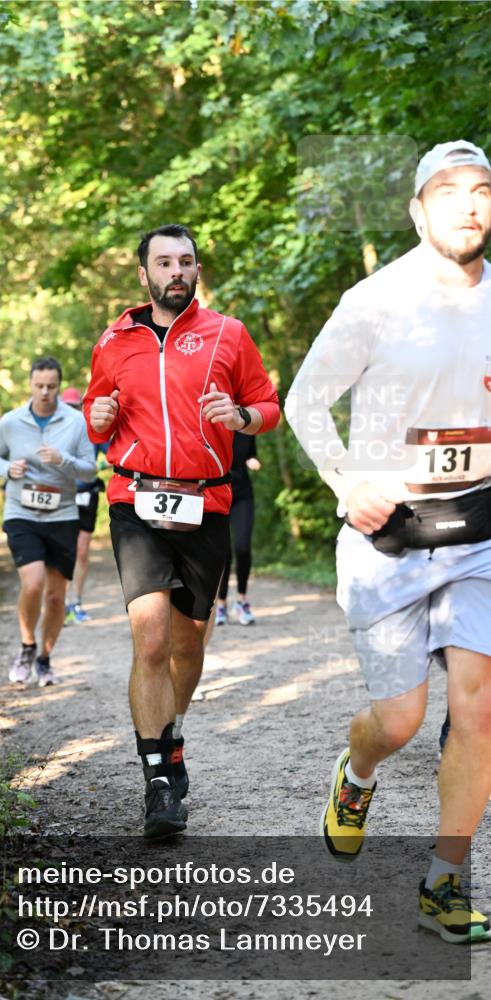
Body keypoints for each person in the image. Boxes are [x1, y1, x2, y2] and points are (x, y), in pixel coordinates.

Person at [285, 140, 491, 943]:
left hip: (478, 530)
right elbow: (306, 403)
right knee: (399, 722)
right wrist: (347, 482)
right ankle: (356, 771)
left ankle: (445, 882)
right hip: (388, 539)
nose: (469, 205)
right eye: (449, 192)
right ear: (417, 210)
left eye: (481, 190)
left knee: (476, 708)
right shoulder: (375, 300)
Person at [84, 223, 280, 838]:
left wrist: (242, 414)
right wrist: (99, 415)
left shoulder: (229, 333)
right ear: (143, 274)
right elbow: (95, 422)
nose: (176, 271)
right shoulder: (114, 340)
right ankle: (160, 781)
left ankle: (169, 737)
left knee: (189, 644)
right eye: (163, 262)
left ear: (196, 271)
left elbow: (268, 406)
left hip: (205, 503)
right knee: (150, 641)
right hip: (135, 500)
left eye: (186, 261)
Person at [0, 357, 96, 686]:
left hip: (62, 514)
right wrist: (7, 470)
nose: (45, 392)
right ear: (30, 385)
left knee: (55, 597)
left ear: (59, 386)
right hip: (22, 512)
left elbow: (90, 468)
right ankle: (26, 647)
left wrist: (64, 460)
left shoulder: (76, 422)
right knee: (32, 584)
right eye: (39, 386)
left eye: (51, 387)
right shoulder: (12, 421)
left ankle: (45, 660)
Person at [60, 386, 108, 623]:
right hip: (61, 496)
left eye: (75, 407)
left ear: (81, 407)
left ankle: (75, 601)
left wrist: (101, 464)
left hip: (87, 493)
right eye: (67, 407)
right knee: (62, 550)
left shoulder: (91, 430)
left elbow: (111, 454)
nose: (72, 411)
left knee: (81, 551)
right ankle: (59, 602)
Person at [215, 431, 262, 626]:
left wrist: (252, 460)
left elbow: (251, 453)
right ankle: (221, 604)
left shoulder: (246, 426)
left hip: (243, 495)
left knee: (242, 547)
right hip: (218, 493)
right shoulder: (212, 423)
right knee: (223, 552)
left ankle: (242, 601)